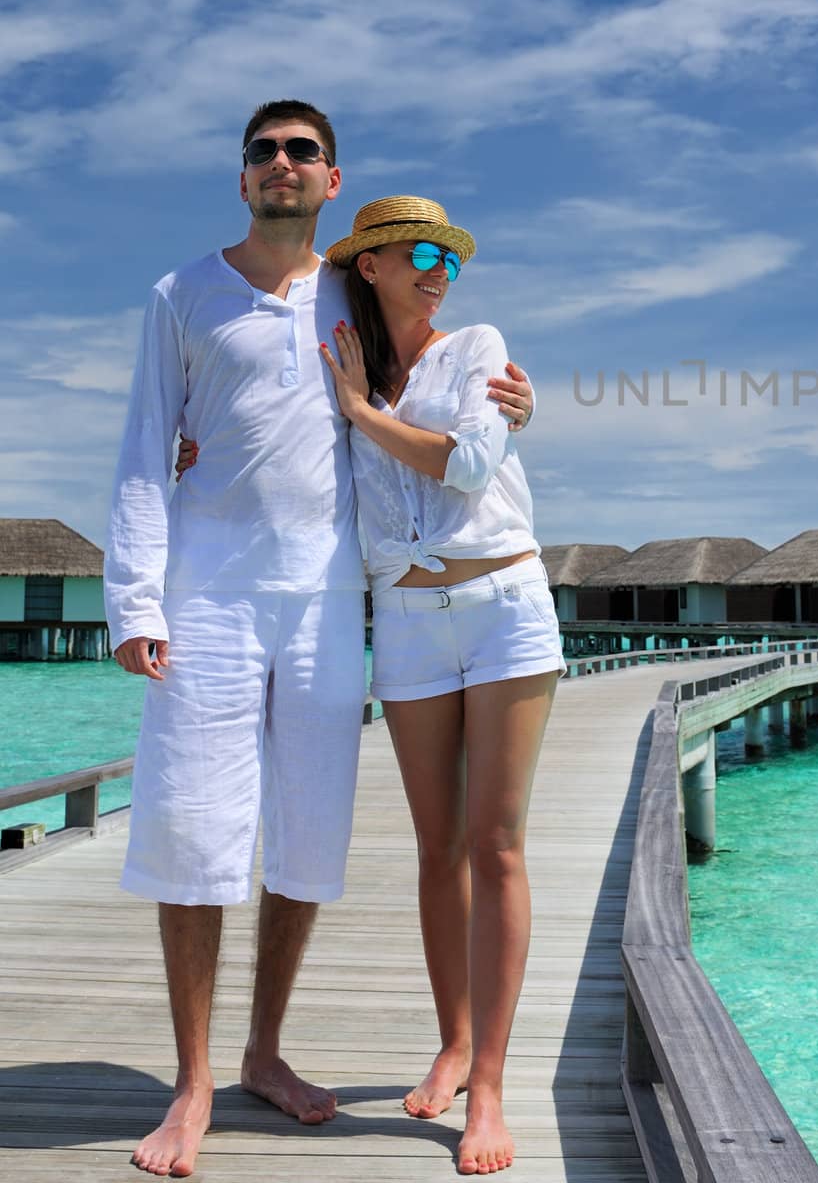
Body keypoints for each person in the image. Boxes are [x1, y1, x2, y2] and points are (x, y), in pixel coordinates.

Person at [105, 102, 534, 1180]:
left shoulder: (355, 293)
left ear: (331, 181)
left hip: (331, 601)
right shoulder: (182, 294)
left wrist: (512, 404)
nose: (281, 165)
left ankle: (262, 1052)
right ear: (241, 174)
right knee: (199, 831)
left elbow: (438, 374)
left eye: (302, 153)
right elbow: (143, 450)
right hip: (205, 596)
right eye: (264, 152)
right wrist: (134, 603)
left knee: (306, 830)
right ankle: (192, 1082)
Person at [319, 196, 564, 1178]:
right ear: (368, 264)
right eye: (417, 253)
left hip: (502, 603)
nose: (437, 270)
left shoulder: (476, 348)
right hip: (408, 627)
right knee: (437, 850)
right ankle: (454, 1040)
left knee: (495, 845)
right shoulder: (336, 360)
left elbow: (468, 465)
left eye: (446, 257)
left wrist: (362, 417)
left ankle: (492, 1082)